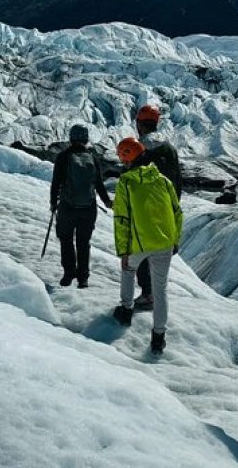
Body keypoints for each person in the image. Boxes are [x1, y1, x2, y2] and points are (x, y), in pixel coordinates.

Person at [111, 137, 183, 355]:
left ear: (126, 158)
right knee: (160, 290)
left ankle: (126, 310)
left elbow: (121, 219)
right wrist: (175, 240)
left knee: (128, 269)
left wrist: (123, 250)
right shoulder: (163, 181)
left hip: (139, 244)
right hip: (164, 243)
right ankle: (158, 337)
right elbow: (177, 212)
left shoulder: (126, 182)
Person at [133, 104, 183, 310]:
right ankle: (156, 293)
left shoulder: (139, 148)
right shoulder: (169, 148)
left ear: (140, 124)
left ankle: (147, 293)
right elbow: (177, 181)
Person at [49, 124, 112, 288]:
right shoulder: (92, 158)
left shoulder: (63, 157)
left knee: (66, 240)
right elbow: (99, 183)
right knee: (83, 243)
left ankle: (69, 273)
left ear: (71, 138)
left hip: (67, 207)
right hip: (88, 208)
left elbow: (56, 182)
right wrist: (106, 201)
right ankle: (83, 278)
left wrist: (53, 203)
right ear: (86, 139)